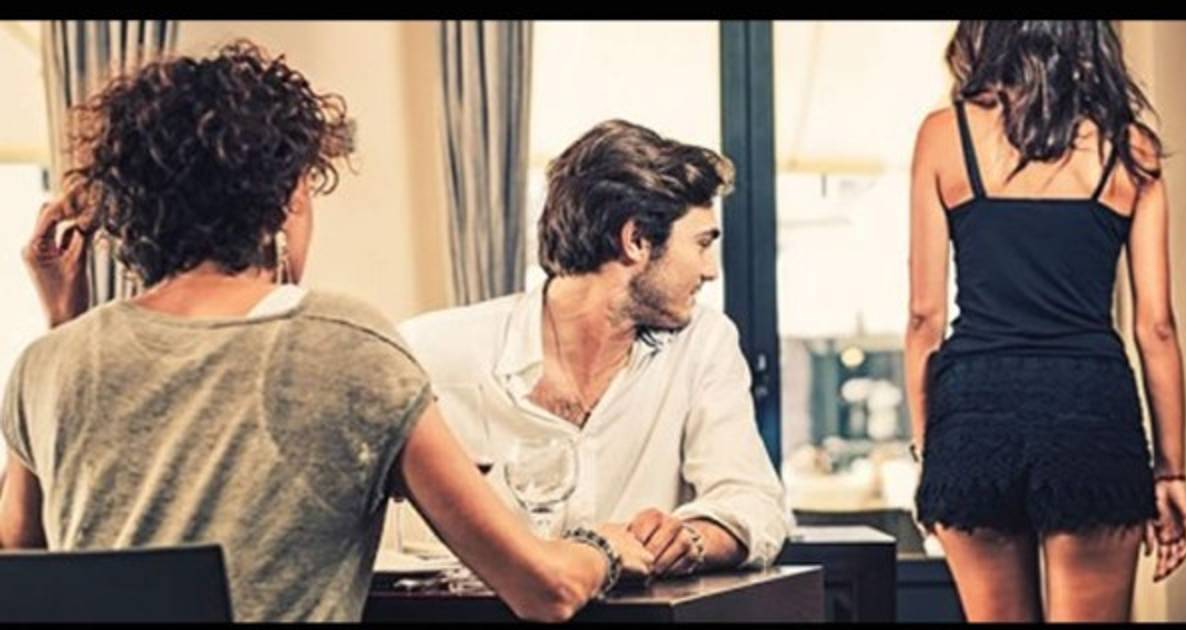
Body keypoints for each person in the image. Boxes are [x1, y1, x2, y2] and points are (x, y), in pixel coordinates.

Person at [0, 40, 652, 623]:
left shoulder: (51, 361)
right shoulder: (348, 345)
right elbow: (542, 588)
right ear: (288, 196)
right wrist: (604, 546)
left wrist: (64, 325)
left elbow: (25, 562)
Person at [393, 119, 790, 577]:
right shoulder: (427, 352)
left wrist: (693, 538)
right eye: (701, 245)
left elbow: (754, 502)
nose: (710, 271)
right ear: (636, 240)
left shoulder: (704, 343)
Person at [905, 20, 1186, 622]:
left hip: (975, 413)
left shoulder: (944, 135)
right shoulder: (1130, 147)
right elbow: (1156, 327)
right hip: (1091, 412)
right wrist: (1171, 472)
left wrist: (932, 452)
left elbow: (923, 318)